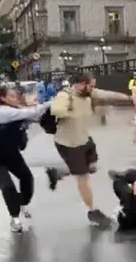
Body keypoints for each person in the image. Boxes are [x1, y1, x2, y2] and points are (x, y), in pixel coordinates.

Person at [45, 73, 130, 226]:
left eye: (93, 85)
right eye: (90, 85)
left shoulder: (88, 93)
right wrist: (71, 111)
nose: (92, 89)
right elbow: (56, 110)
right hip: (69, 144)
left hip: (85, 140)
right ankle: (93, 211)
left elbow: (106, 94)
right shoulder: (65, 96)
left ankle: (57, 173)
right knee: (83, 178)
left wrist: (128, 98)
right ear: (79, 84)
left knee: (91, 167)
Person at [0, 86, 52, 232]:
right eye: (11, 96)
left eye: (16, 96)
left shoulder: (15, 109)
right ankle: (15, 218)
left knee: (27, 178)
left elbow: (33, 116)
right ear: (3, 98)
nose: (15, 98)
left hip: (10, 153)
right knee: (8, 186)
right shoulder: (2, 112)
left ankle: (21, 203)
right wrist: (50, 103)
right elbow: (31, 112)